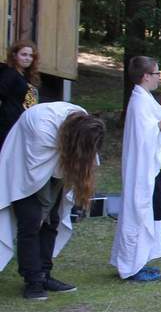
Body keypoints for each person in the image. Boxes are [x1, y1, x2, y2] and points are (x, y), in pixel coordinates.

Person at [0, 103, 105, 300]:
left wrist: (49, 212)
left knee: (52, 220)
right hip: (24, 163)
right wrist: (43, 211)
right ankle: (33, 281)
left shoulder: (85, 123)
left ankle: (44, 275)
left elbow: (78, 163)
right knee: (31, 220)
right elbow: (35, 177)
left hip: (54, 157)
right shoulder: (42, 128)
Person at [111, 56, 161, 282]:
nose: (159, 77)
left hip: (153, 165)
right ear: (146, 76)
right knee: (139, 211)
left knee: (152, 210)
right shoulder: (138, 102)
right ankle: (131, 266)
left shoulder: (145, 98)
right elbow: (144, 134)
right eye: (156, 73)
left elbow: (156, 119)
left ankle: (140, 260)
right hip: (141, 169)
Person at [0, 41, 40, 149]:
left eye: (31, 55)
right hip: (8, 124)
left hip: (22, 123)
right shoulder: (10, 73)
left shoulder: (26, 76)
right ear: (14, 55)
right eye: (24, 54)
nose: (28, 58)